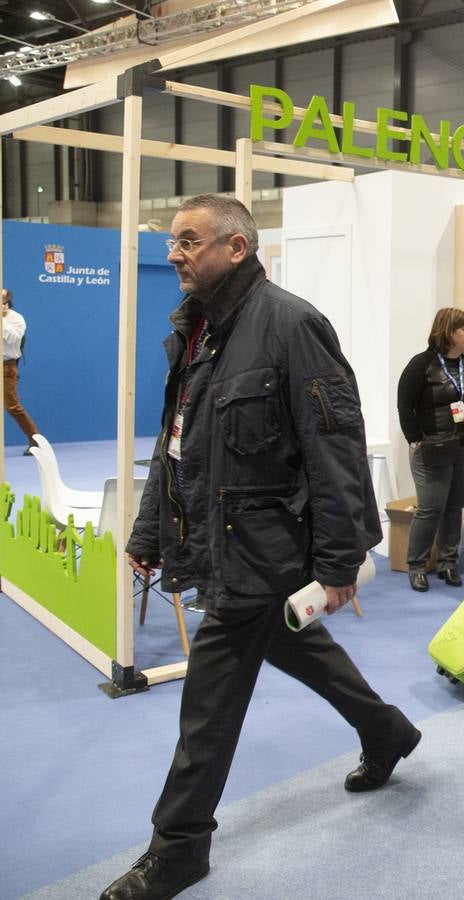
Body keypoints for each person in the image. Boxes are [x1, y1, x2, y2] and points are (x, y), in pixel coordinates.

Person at [101, 196, 418, 900]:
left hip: (263, 553)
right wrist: (152, 529)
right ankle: (387, 730)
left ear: (237, 247)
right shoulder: (197, 330)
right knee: (292, 642)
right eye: (173, 241)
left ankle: (179, 846)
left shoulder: (291, 324)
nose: (175, 253)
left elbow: (333, 448)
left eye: (189, 240)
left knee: (207, 706)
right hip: (220, 545)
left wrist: (339, 564)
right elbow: (176, 444)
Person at [397, 308, 464, 592]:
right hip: (434, 449)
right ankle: (416, 565)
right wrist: (414, 439)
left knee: (454, 506)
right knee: (431, 508)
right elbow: (404, 405)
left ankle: (449, 562)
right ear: (449, 332)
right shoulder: (421, 364)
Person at [1, 289, 39, 454]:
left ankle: (35, 440)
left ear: (7, 304)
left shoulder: (16, 319)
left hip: (7, 366)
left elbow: (13, 339)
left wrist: (2, 320)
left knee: (12, 406)